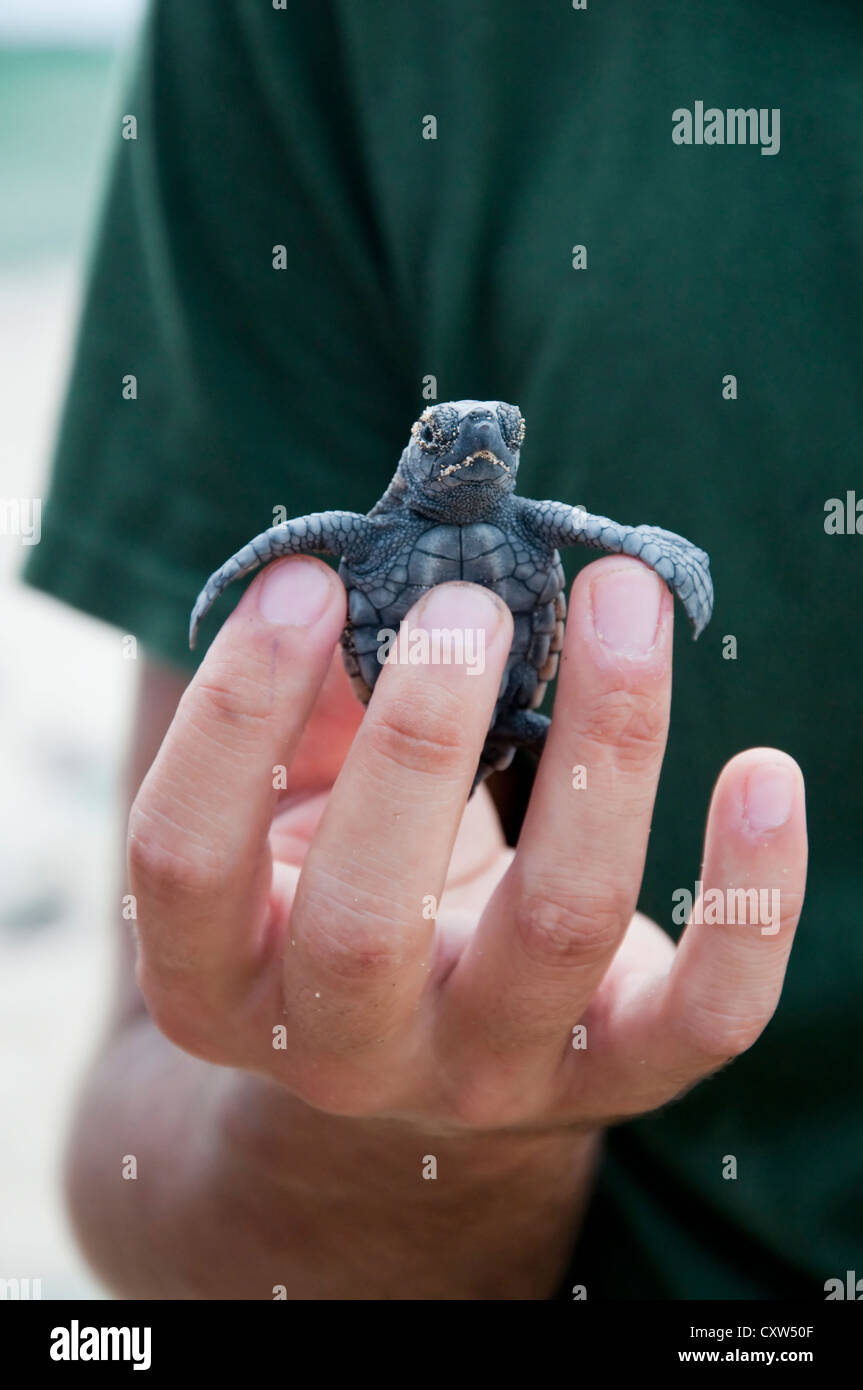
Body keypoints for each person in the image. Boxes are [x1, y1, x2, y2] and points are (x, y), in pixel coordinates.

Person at [24, 1, 860, 1300]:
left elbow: (597, 530)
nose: (475, 452)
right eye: (447, 441)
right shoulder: (305, 34)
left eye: (495, 441)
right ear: (417, 464)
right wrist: (395, 1101)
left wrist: (660, 551)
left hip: (514, 716)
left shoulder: (529, 518)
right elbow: (147, 1141)